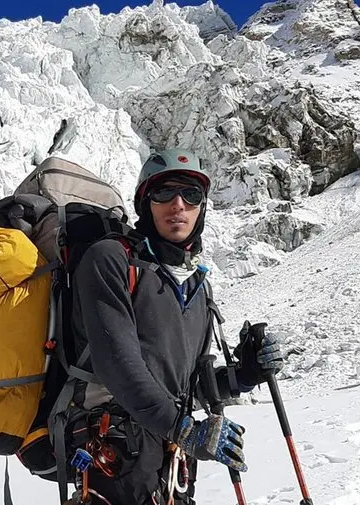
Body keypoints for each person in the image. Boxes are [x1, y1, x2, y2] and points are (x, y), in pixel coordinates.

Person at [67, 148, 284, 505]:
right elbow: (118, 365)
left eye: (191, 194)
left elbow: (187, 386)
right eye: (164, 192)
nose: (178, 204)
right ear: (145, 203)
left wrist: (243, 375)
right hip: (114, 446)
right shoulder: (111, 259)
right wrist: (183, 429)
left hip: (172, 455)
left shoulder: (196, 285)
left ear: (202, 208)